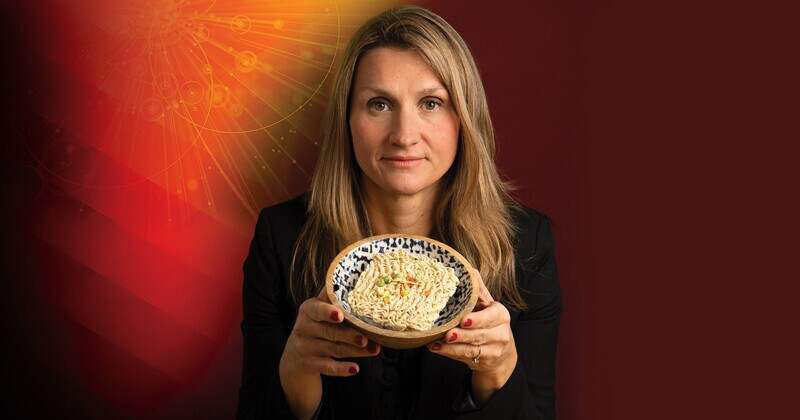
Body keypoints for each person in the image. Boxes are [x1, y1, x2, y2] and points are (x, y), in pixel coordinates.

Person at [236, 5, 561, 420]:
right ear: (347, 120)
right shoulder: (281, 239)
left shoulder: (527, 245)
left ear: (464, 118)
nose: (405, 136)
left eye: (431, 103)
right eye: (379, 105)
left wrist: (497, 377)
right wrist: (296, 379)